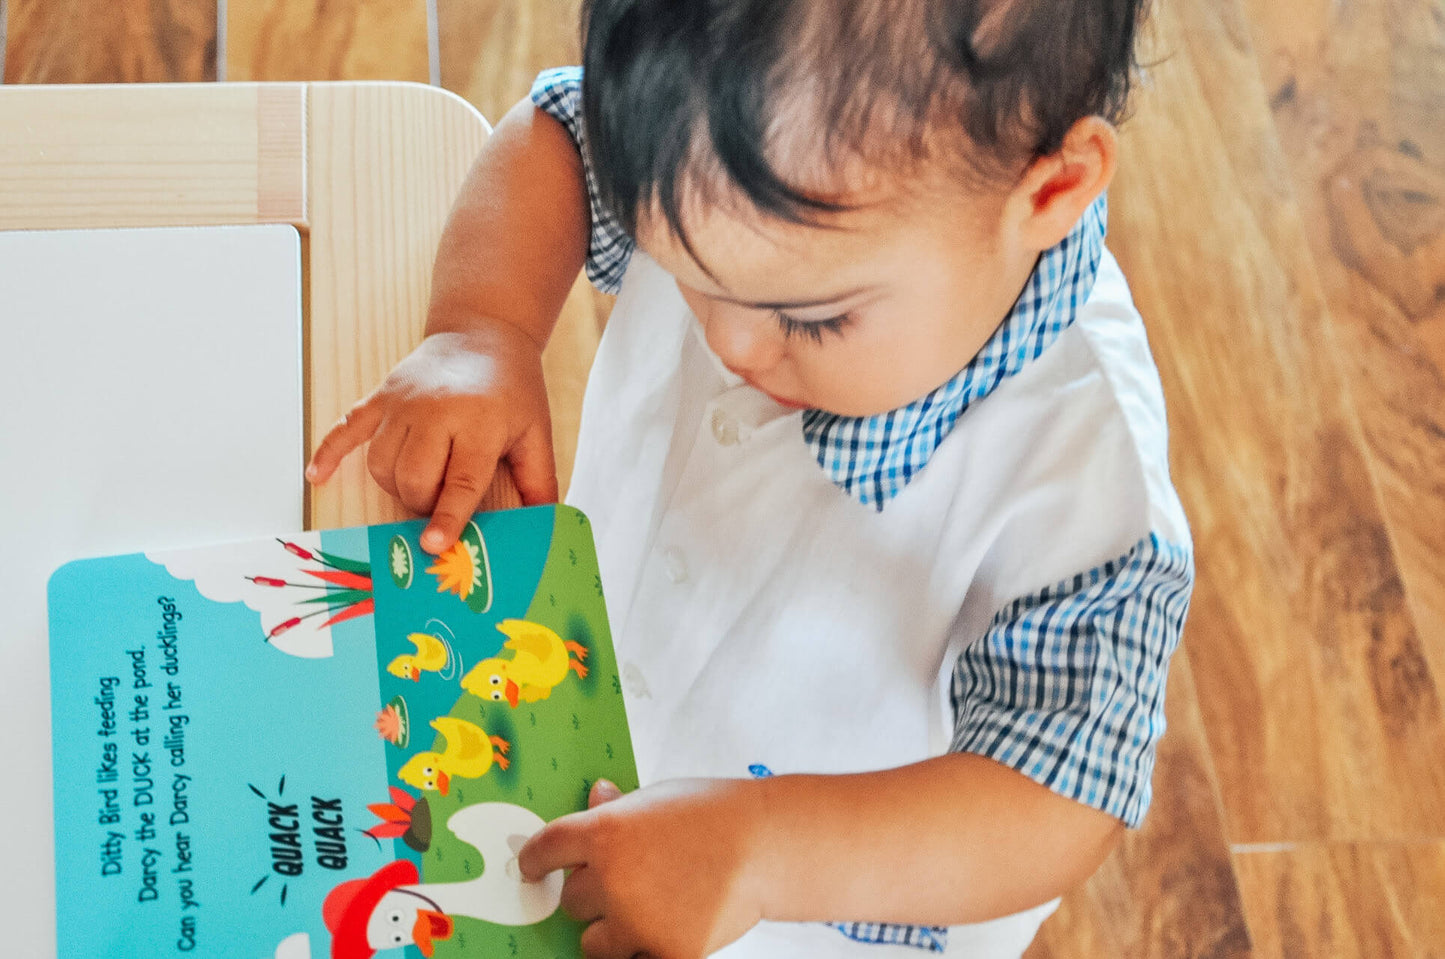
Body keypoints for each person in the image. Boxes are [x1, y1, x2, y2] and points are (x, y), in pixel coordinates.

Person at [306, 0, 1194, 955]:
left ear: (1050, 191)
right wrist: (485, 327)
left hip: (799, 912)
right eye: (684, 269)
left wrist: (760, 853)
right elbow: (556, 136)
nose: (727, 341)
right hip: (587, 711)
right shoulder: (714, 144)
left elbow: (1056, 797)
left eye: (810, 317)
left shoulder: (1090, 494)